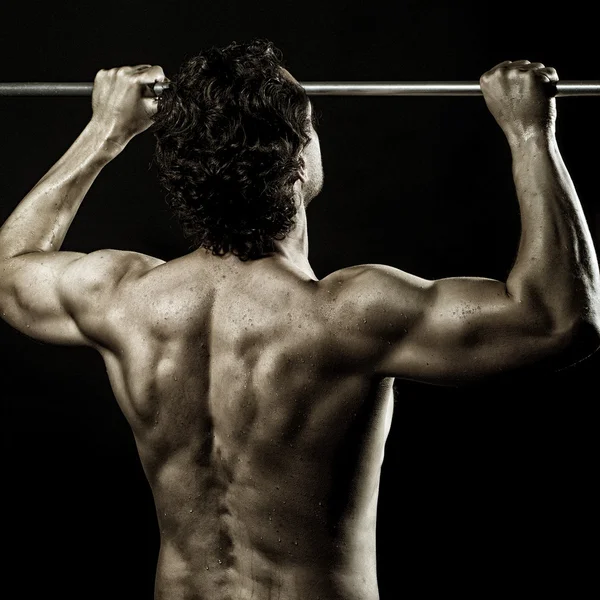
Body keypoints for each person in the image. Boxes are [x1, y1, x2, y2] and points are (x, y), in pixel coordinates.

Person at [0, 38, 598, 600]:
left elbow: (9, 272)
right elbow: (556, 321)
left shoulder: (125, 299)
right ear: (296, 156)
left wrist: (104, 132)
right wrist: (529, 134)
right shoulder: (347, 315)